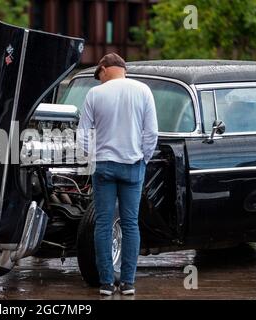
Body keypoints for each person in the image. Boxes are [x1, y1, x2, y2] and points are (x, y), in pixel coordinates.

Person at [78, 53, 158, 296]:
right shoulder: (143, 90)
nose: (99, 80)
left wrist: (92, 157)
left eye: (99, 75)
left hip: (103, 166)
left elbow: (82, 135)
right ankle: (128, 283)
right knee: (130, 223)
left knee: (102, 224)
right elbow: (151, 132)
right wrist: (143, 158)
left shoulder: (95, 94)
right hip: (133, 165)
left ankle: (105, 284)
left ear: (104, 69)